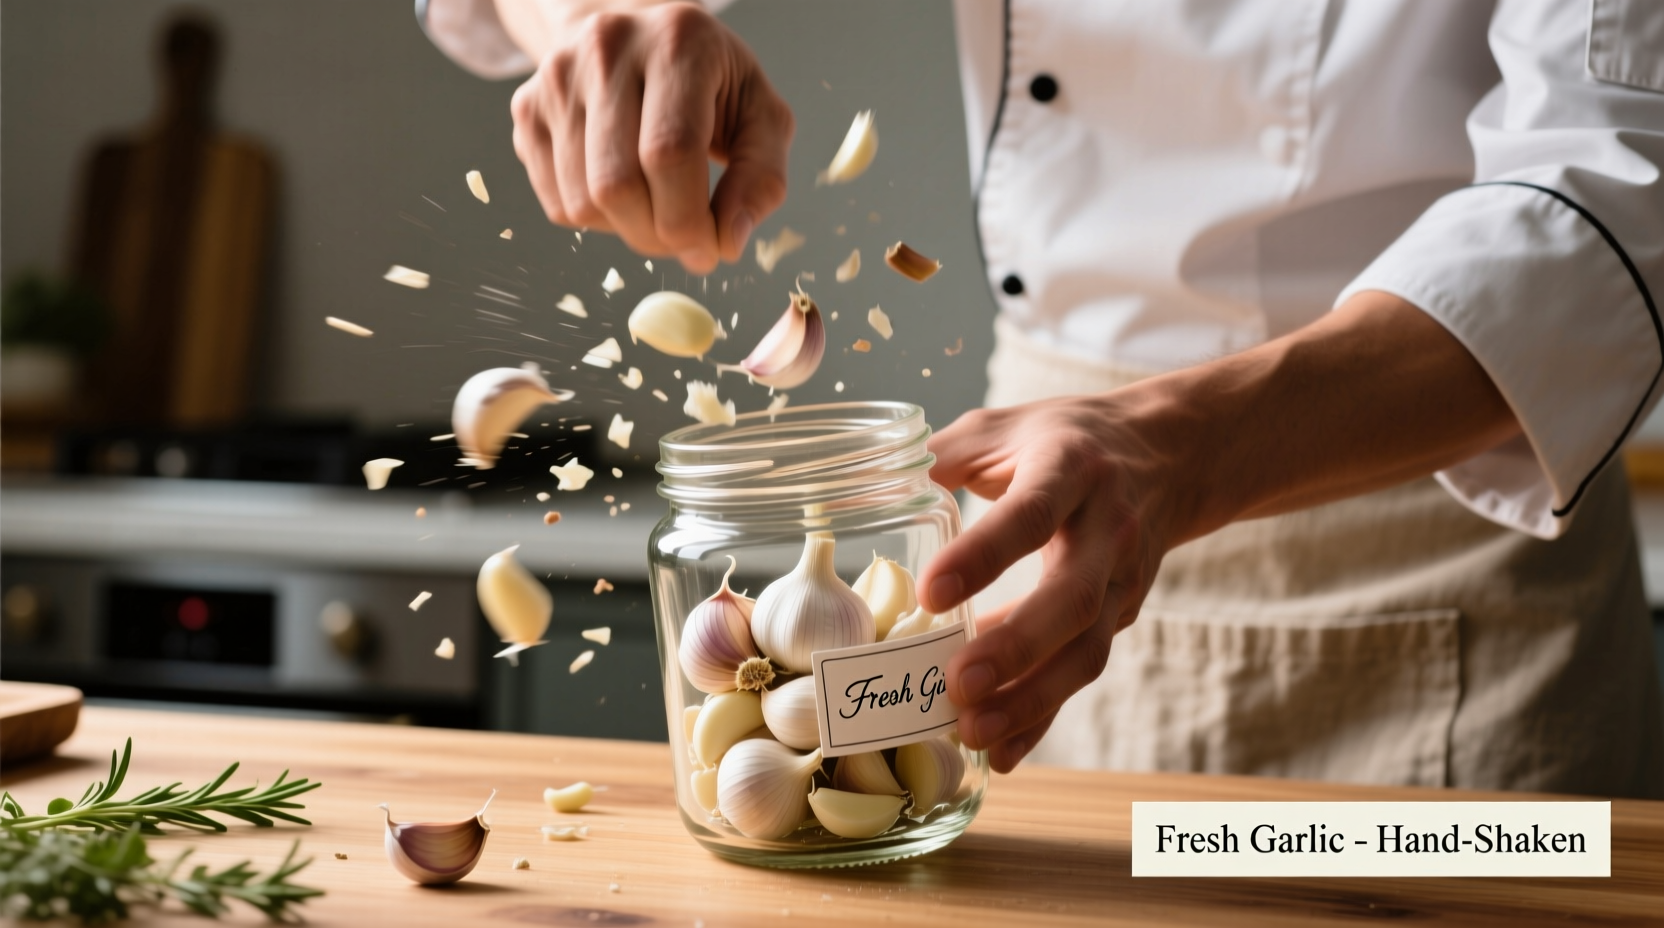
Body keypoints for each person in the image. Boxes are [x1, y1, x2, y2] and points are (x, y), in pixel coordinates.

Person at [419, 0, 1664, 798]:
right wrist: (599, 19)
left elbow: (1613, 187)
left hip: (1439, 557)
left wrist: (1168, 447)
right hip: (1039, 544)